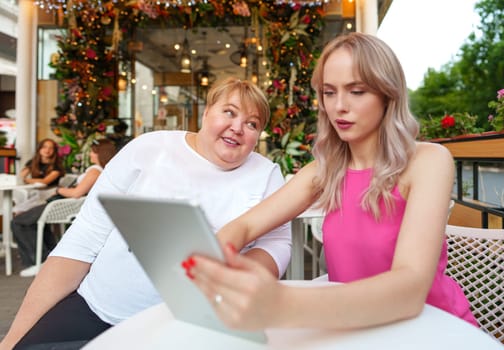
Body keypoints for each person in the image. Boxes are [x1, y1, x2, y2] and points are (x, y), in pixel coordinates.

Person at [186, 32, 478, 330]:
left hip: (437, 330)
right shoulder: (324, 171)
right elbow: (245, 226)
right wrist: (216, 259)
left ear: (387, 94)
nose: (339, 106)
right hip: (358, 331)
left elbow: (411, 289)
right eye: (329, 92)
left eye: (357, 91)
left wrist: (281, 303)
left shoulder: (428, 161)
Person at [0, 77, 291, 349]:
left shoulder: (265, 175)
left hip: (189, 329)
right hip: (96, 308)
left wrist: (235, 278)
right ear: (205, 112)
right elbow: (81, 242)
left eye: (252, 124)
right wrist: (12, 339)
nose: (238, 127)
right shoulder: (149, 148)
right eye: (229, 112)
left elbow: (276, 245)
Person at [12, 139, 118, 278]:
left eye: (93, 152)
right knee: (31, 221)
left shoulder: (95, 171)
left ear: (101, 154)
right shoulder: (103, 171)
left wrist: (59, 190)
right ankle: (45, 258)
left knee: (18, 221)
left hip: (61, 204)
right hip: (61, 204)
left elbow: (76, 193)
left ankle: (36, 262)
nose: (90, 154)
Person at [12, 138, 65, 214]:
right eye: (44, 147)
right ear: (39, 149)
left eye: (51, 148)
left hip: (50, 194)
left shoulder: (57, 166)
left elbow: (44, 182)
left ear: (54, 151)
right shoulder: (33, 162)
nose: (47, 150)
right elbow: (22, 175)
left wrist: (27, 180)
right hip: (37, 192)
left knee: (20, 211)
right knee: (17, 208)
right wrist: (26, 174)